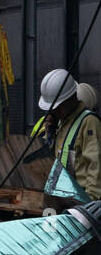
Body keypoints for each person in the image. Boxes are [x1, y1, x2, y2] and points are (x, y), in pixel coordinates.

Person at [37, 69, 100, 204]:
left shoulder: (88, 122)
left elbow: (95, 168)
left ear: (71, 99)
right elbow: (55, 161)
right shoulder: (62, 123)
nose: (53, 110)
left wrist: (90, 207)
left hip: (81, 203)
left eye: (58, 106)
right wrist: (50, 133)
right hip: (62, 200)